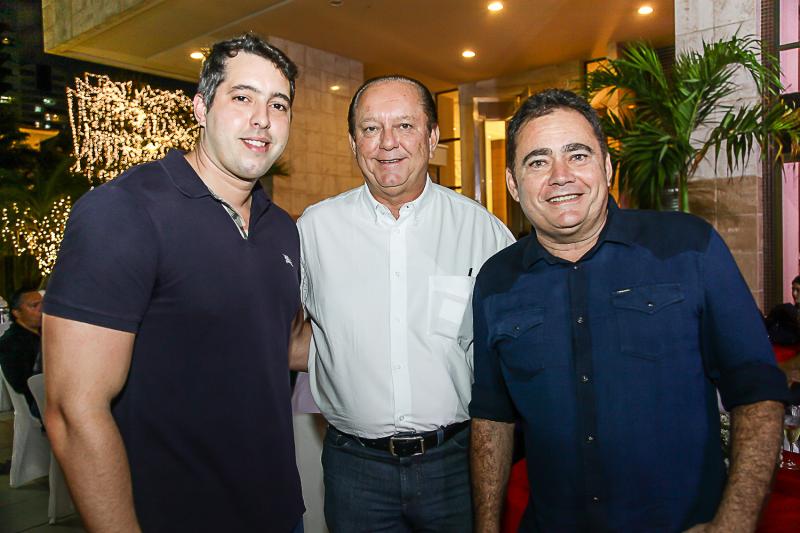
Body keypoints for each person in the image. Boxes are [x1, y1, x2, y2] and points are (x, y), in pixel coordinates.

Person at [470, 88, 788, 532]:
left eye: (577, 155)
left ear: (606, 167)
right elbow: (492, 418)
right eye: (538, 162)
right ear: (512, 184)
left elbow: (756, 390)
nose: (560, 176)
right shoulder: (495, 280)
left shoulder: (689, 247)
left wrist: (733, 523)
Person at [42, 34, 305, 532]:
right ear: (201, 108)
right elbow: (74, 411)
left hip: (280, 512)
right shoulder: (124, 212)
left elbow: (281, 343)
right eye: (242, 97)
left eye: (278, 104)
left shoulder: (281, 228)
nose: (262, 119)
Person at [295, 75, 514, 531]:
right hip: (355, 468)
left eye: (405, 125)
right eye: (370, 128)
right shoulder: (314, 231)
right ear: (353, 142)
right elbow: (275, 328)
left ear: (432, 137)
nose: (387, 142)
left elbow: (515, 346)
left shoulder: (482, 231)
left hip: (454, 464)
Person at [0, 287, 43, 419]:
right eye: (34, 306)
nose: (42, 309)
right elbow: (22, 385)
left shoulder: (45, 333)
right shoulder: (11, 343)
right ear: (17, 313)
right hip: (39, 405)